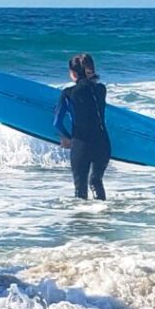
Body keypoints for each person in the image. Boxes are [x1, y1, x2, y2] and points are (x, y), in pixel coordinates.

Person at [54, 53, 110, 200]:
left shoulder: (68, 93)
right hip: (103, 143)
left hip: (81, 144)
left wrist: (67, 137)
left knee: (80, 188)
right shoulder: (101, 90)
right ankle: (104, 217)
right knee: (96, 182)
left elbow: (57, 122)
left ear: (73, 73)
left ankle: (81, 222)